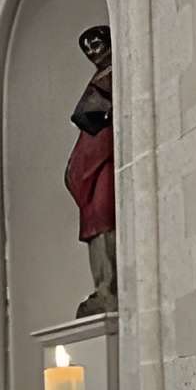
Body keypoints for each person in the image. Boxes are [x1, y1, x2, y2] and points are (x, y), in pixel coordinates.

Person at [65, 24, 117, 316]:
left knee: (105, 219)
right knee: (95, 224)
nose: (92, 53)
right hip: (92, 163)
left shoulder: (117, 74)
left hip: (104, 161)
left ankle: (110, 286)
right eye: (87, 49)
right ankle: (102, 286)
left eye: (96, 45)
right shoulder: (99, 79)